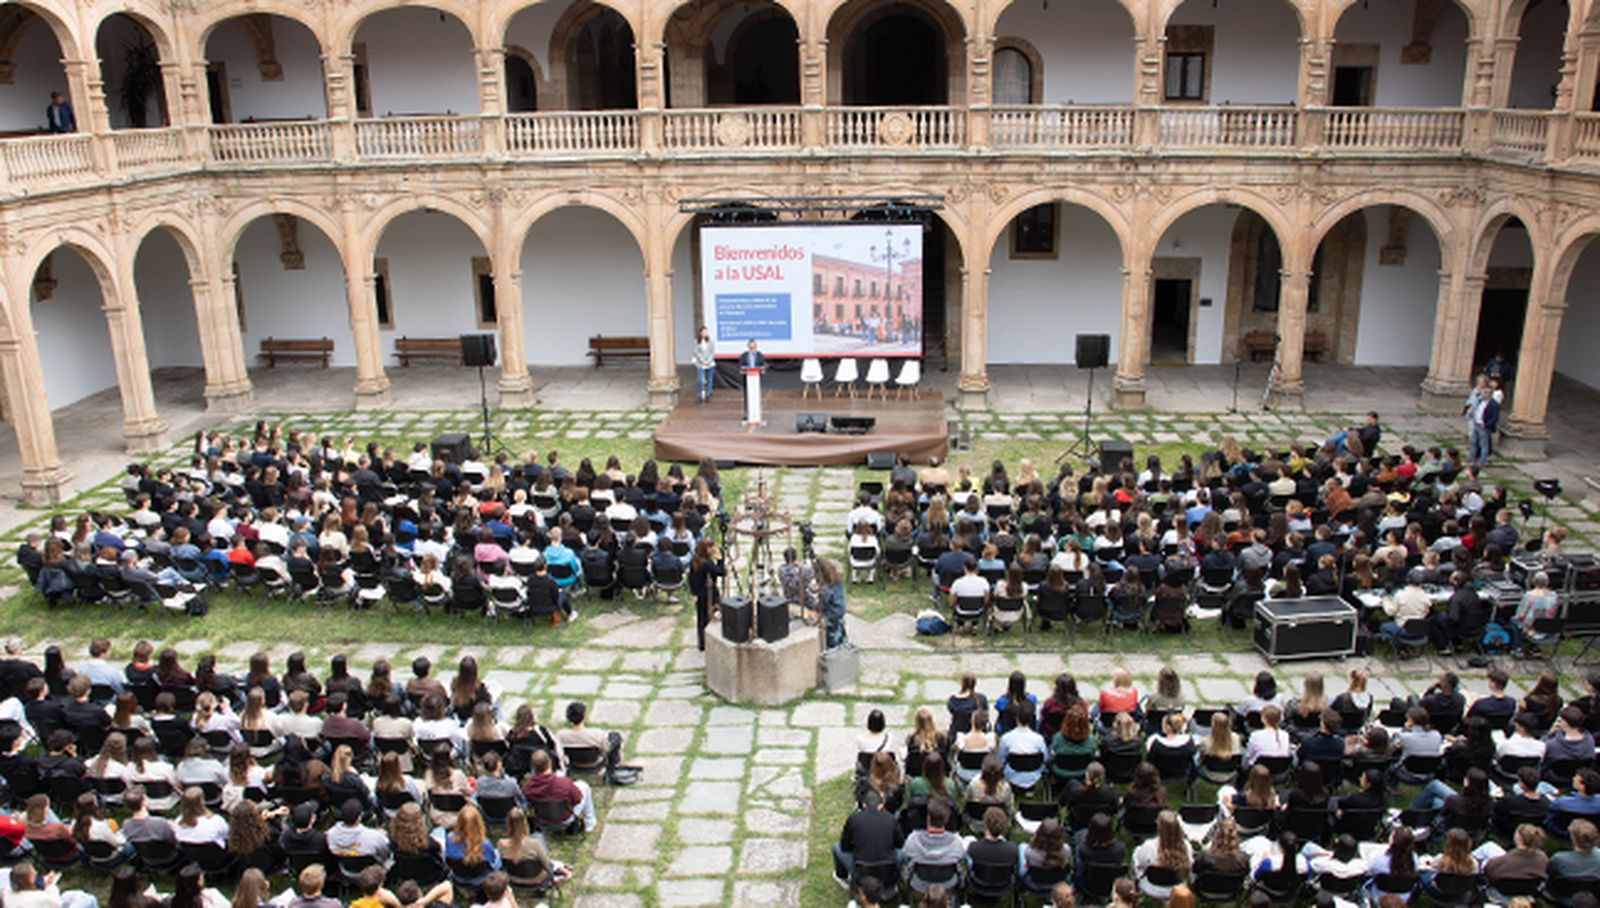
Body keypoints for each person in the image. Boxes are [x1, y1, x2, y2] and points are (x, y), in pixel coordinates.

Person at [833, 788, 903, 886]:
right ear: (881, 805)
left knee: (836, 848)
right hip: (888, 872)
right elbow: (900, 844)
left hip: (861, 873)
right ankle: (893, 885)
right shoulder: (891, 819)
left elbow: (844, 846)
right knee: (901, 853)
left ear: (864, 804)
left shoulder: (853, 819)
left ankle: (843, 878)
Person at [901, 799, 965, 895]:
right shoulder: (957, 842)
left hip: (920, 884)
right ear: (947, 820)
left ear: (928, 818)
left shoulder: (912, 840)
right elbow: (961, 858)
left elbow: (906, 857)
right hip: (947, 883)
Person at [689, 537, 724, 651]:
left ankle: (702, 644)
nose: (714, 549)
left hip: (699, 593)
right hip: (708, 593)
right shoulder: (706, 563)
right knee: (713, 614)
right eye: (711, 547)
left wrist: (693, 593)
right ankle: (713, 641)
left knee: (701, 618)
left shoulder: (695, 559)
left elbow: (691, 577)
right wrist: (720, 559)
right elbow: (721, 572)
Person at [816, 557, 849, 650]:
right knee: (840, 627)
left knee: (831, 632)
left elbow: (823, 604)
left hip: (832, 614)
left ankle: (833, 648)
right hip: (840, 610)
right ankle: (843, 643)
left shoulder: (826, 588)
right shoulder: (837, 578)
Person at [739, 338, 767, 422]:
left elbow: (764, 365)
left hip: (756, 379)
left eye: (754, 347)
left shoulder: (760, 355)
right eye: (751, 347)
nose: (752, 349)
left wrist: (762, 368)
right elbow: (740, 366)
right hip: (747, 379)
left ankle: (757, 413)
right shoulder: (744, 355)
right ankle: (747, 414)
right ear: (748, 347)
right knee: (747, 395)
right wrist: (743, 369)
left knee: (756, 395)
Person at [693, 326, 716, 403]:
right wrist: (702, 360)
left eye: (706, 332)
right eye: (703, 332)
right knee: (699, 380)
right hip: (700, 363)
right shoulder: (696, 341)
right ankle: (699, 396)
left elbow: (712, 352)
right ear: (700, 333)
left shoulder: (711, 341)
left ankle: (708, 395)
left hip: (710, 363)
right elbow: (696, 352)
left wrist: (708, 361)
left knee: (709, 379)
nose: (705, 333)